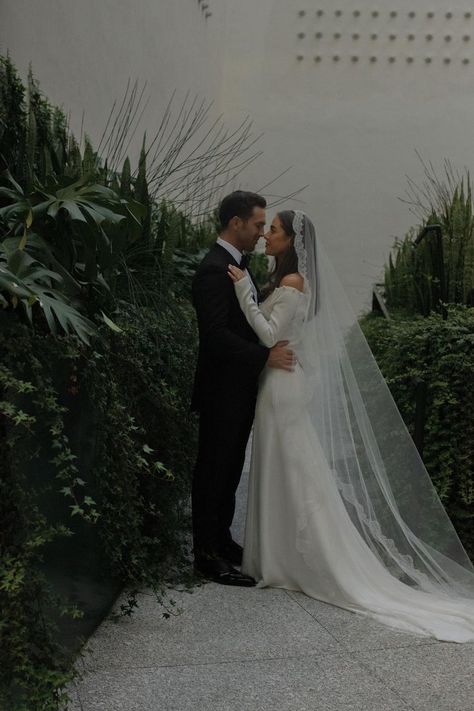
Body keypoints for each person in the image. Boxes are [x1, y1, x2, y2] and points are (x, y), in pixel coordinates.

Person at [227, 209, 474, 642]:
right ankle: (278, 556)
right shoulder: (289, 282)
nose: (267, 235)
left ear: (293, 243)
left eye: (275, 231)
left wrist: (245, 291)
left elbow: (268, 335)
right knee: (287, 466)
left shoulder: (292, 283)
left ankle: (298, 559)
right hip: (281, 380)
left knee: (292, 467)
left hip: (282, 385)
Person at [191, 191, 294, 586]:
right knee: (213, 469)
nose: (260, 233)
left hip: (238, 387)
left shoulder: (238, 266)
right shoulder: (213, 270)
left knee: (230, 467)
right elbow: (215, 335)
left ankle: (221, 540)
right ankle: (205, 555)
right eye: (256, 225)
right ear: (236, 223)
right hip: (220, 389)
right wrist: (262, 358)